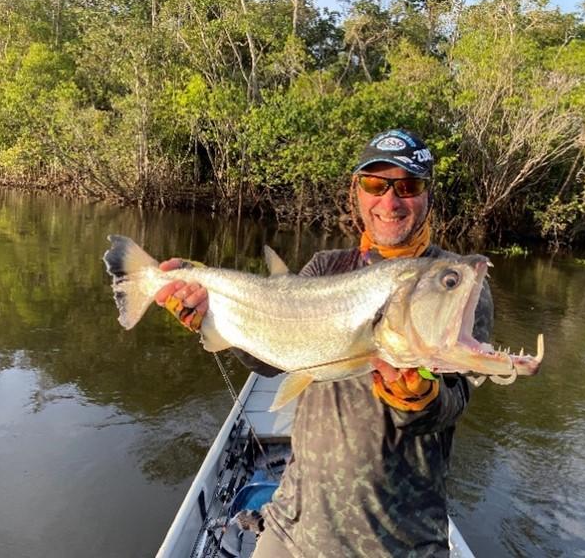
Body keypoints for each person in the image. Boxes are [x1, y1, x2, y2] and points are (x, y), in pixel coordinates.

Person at [155, 129, 494, 557]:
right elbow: (273, 360)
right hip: (294, 524)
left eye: (407, 186)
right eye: (376, 185)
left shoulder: (456, 282)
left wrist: (419, 396)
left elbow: (454, 399)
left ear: (428, 195)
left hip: (397, 542)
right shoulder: (326, 266)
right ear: (357, 192)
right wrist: (216, 318)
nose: (389, 202)